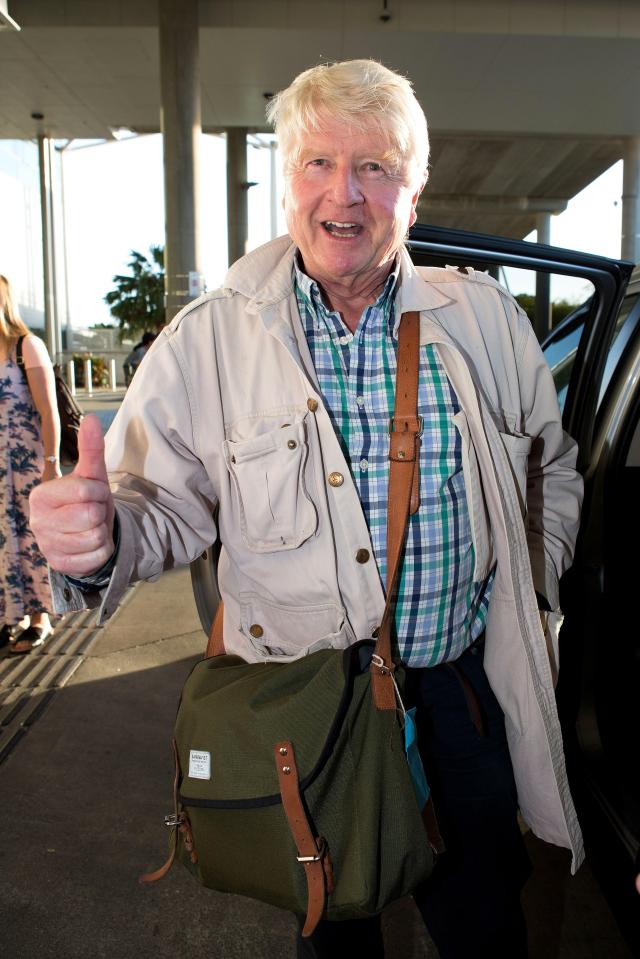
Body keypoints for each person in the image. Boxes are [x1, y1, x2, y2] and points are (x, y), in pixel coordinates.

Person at [29, 60, 584, 957]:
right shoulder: (213, 337)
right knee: (335, 932)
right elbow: (154, 502)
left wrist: (531, 580)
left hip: (457, 702)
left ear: (415, 188)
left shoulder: (484, 323)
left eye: (375, 166)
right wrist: (101, 538)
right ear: (287, 181)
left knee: (486, 927)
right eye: (319, 162)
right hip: (306, 710)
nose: (345, 193)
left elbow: (549, 475)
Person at [0, 274, 60, 653]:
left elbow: (48, 411)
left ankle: (41, 616)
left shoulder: (26, 346)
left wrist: (52, 464)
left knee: (32, 540)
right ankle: (11, 613)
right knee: (4, 541)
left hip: (26, 466)